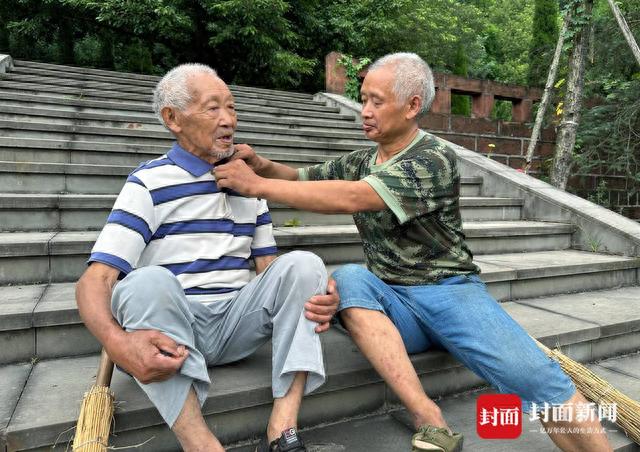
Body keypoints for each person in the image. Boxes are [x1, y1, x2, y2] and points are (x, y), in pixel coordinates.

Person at [213, 52, 614, 452]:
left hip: (450, 293)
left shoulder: (432, 158)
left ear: (412, 106)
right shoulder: (363, 160)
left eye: (376, 101)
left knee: (538, 379)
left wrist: (255, 186)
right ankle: (427, 417)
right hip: (395, 305)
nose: (365, 111)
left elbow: (356, 196)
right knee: (350, 278)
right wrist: (261, 164)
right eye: (363, 98)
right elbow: (301, 177)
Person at [75, 63, 339, 452]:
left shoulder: (250, 185)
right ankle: (202, 445)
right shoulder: (148, 183)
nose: (228, 119)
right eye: (212, 108)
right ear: (173, 119)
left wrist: (314, 293)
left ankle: (283, 429)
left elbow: (270, 271)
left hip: (236, 324)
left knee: (306, 265)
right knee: (145, 281)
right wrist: (118, 343)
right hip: (174, 328)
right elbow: (95, 280)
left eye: (231, 108)